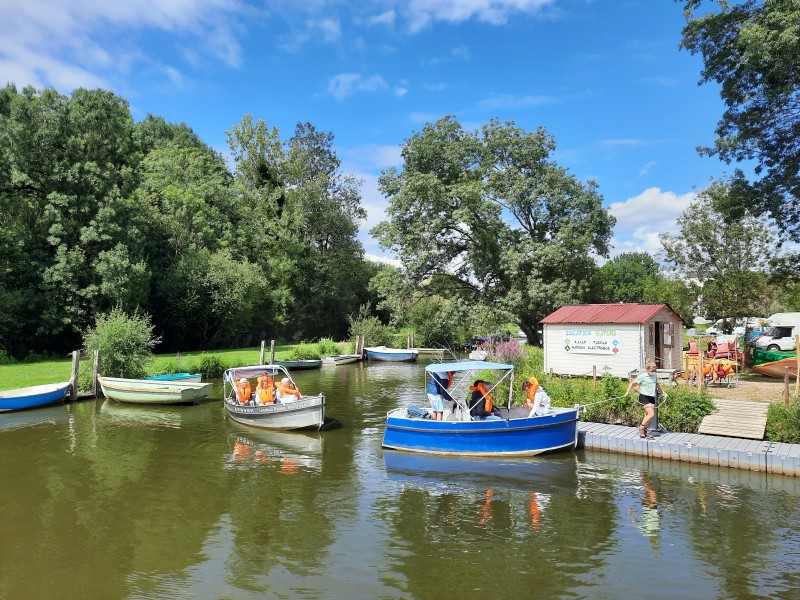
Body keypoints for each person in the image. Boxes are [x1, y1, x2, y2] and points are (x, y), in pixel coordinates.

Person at [624, 359, 667, 438]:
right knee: (651, 414)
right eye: (653, 368)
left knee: (647, 415)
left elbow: (657, 384)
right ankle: (641, 427)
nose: (654, 370)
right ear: (648, 369)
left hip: (651, 397)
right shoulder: (642, 376)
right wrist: (627, 392)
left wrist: (663, 392)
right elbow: (632, 383)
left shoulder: (654, 375)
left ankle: (645, 431)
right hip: (644, 396)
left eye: (655, 368)